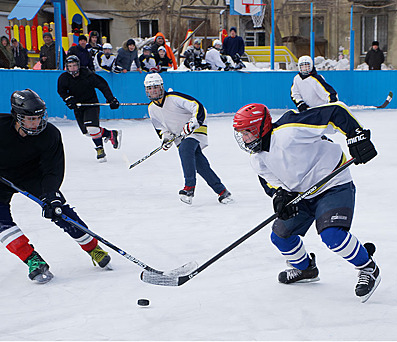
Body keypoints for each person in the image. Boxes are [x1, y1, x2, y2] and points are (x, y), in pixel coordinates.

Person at [0, 89, 112, 284]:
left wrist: (51, 194)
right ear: (16, 117)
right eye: (29, 119)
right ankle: (32, 260)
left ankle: (93, 247)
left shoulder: (50, 134)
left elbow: (53, 169)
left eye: (39, 117)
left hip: (32, 176)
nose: (36, 123)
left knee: (58, 209)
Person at [232, 102, 380, 303]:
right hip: (303, 194)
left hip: (333, 184)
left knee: (332, 234)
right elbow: (273, 185)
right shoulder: (257, 159)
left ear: (260, 126)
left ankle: (368, 268)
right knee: (280, 236)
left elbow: (335, 111)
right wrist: (281, 198)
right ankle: (306, 269)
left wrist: (356, 136)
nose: (244, 138)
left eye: (247, 131)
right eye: (241, 133)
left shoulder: (290, 129)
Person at [144, 73, 233, 205]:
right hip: (180, 137)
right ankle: (222, 191)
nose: (153, 90)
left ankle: (189, 188)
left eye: (156, 87)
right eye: (150, 88)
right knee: (200, 165)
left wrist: (193, 123)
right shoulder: (152, 109)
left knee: (185, 149)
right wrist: (165, 138)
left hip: (196, 129)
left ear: (162, 87)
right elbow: (161, 128)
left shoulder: (174, 98)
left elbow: (198, 106)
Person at [58, 55, 121, 162]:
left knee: (92, 128)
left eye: (74, 65)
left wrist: (110, 99)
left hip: (91, 104)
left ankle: (100, 150)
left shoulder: (87, 75)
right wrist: (68, 99)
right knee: (87, 132)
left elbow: (102, 85)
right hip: (78, 107)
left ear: (78, 65)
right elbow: (61, 91)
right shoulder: (63, 78)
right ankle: (110, 134)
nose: (72, 68)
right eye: (70, 66)